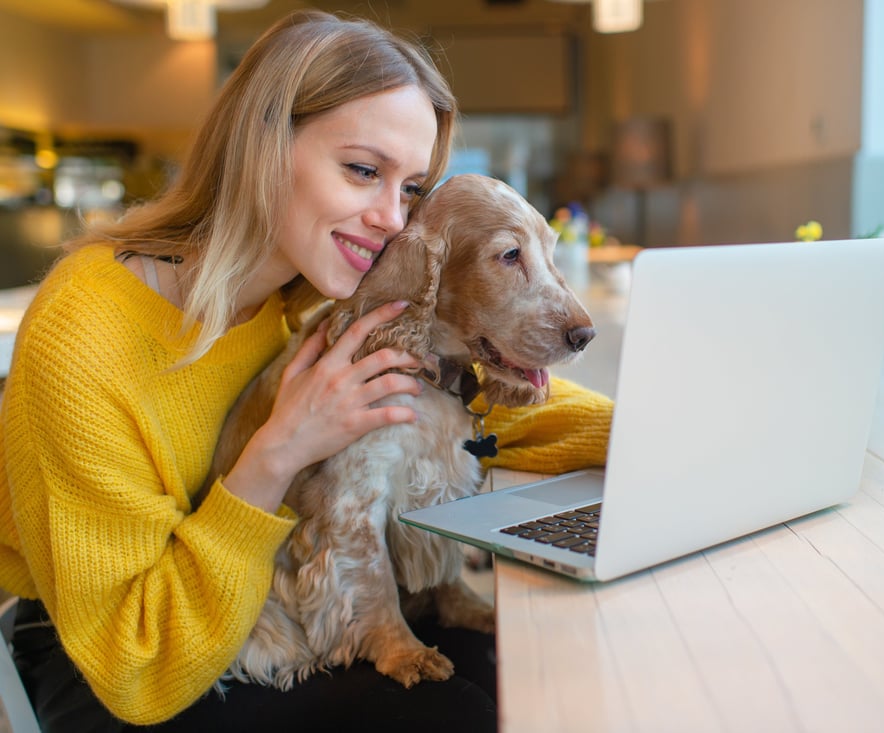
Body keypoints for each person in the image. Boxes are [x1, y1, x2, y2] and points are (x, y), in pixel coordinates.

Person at [0, 9, 612, 733]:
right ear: (260, 146)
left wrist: (655, 434)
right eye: (362, 170)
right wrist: (282, 447)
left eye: (412, 188)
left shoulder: (306, 292)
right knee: (458, 716)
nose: (394, 219)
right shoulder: (87, 332)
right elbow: (137, 665)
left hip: (269, 599)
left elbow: (462, 404)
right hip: (116, 658)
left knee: (529, 675)